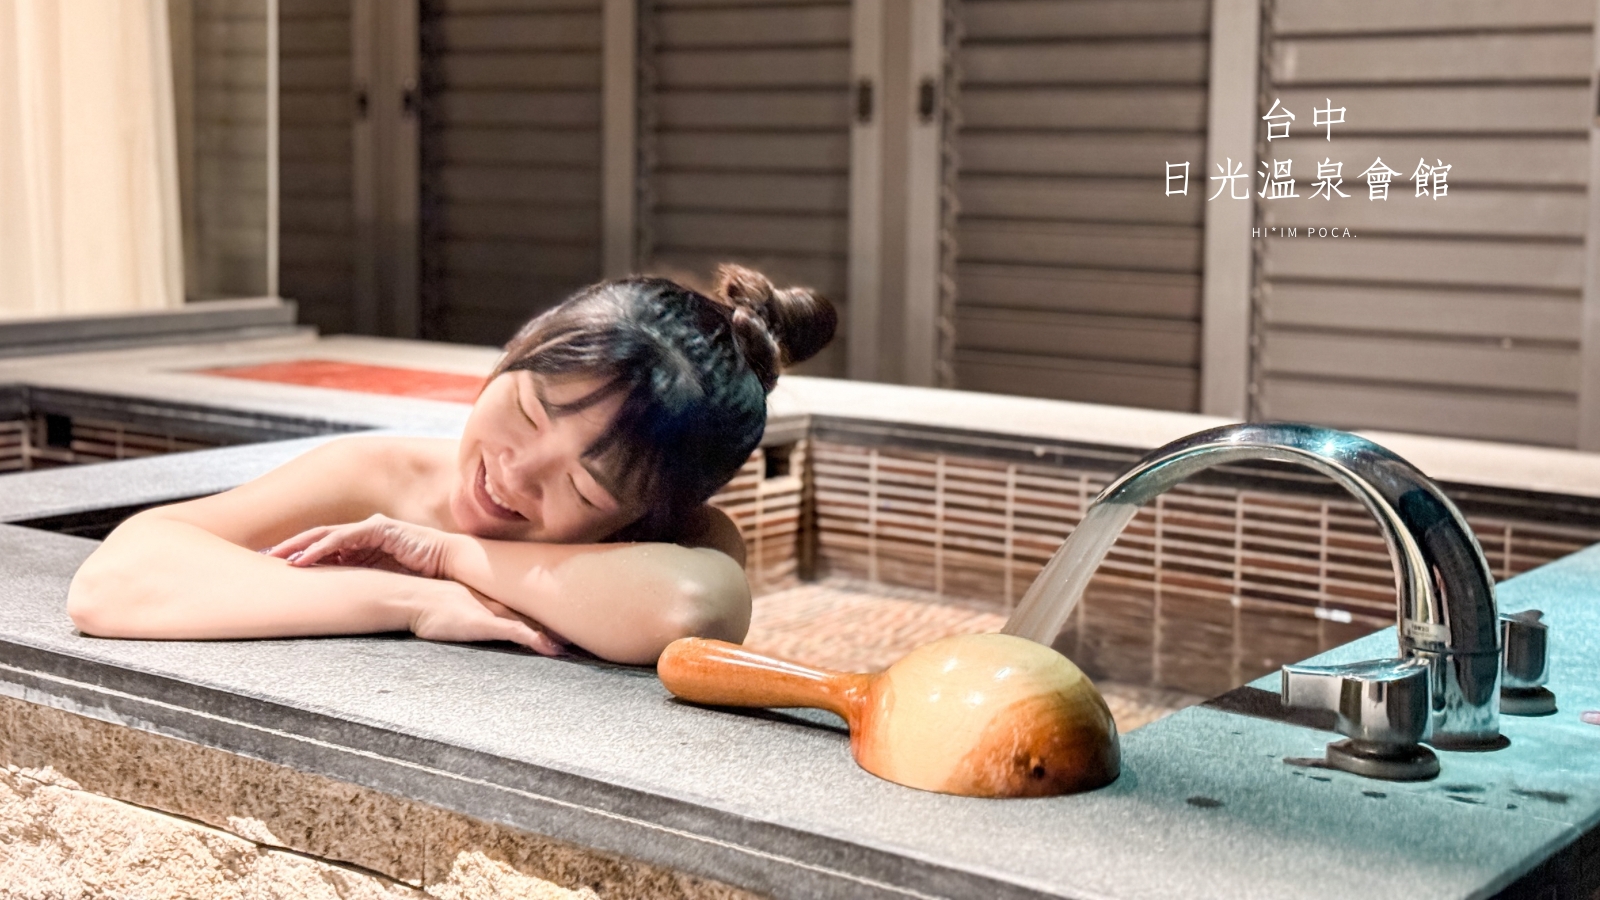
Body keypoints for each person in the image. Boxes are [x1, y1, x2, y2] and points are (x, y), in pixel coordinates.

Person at [66, 265, 836, 666]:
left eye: (581, 484)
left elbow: (693, 607)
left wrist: (445, 554)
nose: (516, 471)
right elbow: (115, 582)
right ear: (514, 353)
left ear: (642, 513)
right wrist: (407, 599)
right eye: (529, 410)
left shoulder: (673, 536)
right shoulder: (381, 478)